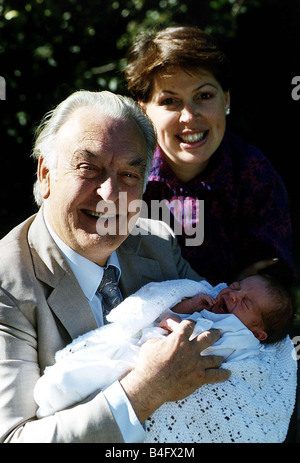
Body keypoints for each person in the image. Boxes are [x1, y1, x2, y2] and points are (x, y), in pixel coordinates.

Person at [0, 90, 229, 443]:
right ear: (46, 174)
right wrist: (143, 393)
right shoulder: (7, 283)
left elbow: (224, 323)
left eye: (128, 175)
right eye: (88, 169)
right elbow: (13, 438)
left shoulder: (157, 243)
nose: (110, 195)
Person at [124, 25, 296, 286]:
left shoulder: (254, 175)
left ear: (226, 100)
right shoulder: (123, 176)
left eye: (204, 96)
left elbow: (270, 288)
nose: (190, 117)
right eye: (170, 101)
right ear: (144, 109)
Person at [33, 275, 297, 443]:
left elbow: (201, 351)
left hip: (159, 359)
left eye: (246, 303)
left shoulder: (242, 338)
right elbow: (164, 311)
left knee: (110, 374)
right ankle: (59, 395)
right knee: (101, 360)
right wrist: (190, 306)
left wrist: (174, 321)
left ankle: (62, 398)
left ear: (258, 333)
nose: (233, 294)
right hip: (146, 345)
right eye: (236, 286)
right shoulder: (211, 306)